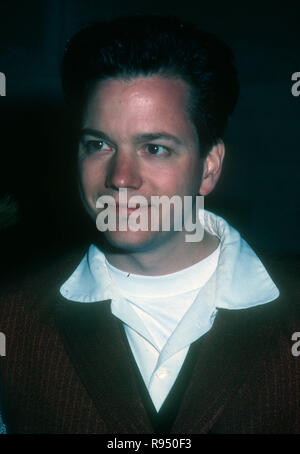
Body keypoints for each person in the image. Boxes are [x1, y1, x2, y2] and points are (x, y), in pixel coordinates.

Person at [0, 15, 299, 434]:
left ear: (209, 168)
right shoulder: (12, 320)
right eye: (99, 144)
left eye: (155, 148)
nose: (121, 177)